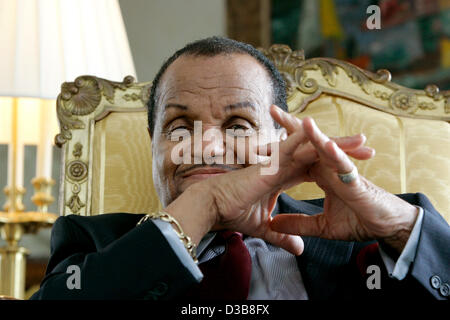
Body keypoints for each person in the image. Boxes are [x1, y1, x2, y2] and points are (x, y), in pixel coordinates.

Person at [31, 37, 449, 300]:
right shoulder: (93, 243)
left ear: (282, 141)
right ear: (153, 145)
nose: (209, 147)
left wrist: (399, 227)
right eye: (179, 128)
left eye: (237, 126)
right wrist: (205, 203)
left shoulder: (366, 239)